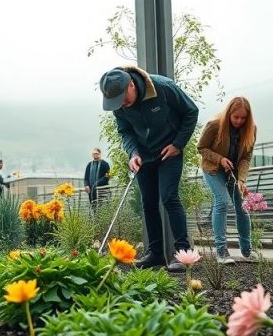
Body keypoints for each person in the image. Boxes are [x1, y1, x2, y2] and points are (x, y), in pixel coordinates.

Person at [100, 66, 199, 270]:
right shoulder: (118, 105)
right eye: (116, 103)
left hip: (169, 152)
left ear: (131, 84)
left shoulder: (163, 87)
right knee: (148, 202)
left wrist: (178, 144)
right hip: (143, 157)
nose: (121, 105)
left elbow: (191, 112)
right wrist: (133, 153)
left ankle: (183, 254)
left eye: (122, 98)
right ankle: (155, 254)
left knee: (169, 197)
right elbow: (125, 132)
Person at [198, 96, 257, 264]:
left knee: (242, 206)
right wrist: (220, 159)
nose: (239, 121)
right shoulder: (214, 125)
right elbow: (201, 148)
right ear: (229, 114)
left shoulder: (251, 129)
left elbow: (246, 157)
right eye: (235, 117)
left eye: (243, 118)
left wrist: (242, 180)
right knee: (222, 201)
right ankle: (221, 251)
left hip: (234, 172)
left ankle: (246, 250)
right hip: (214, 169)